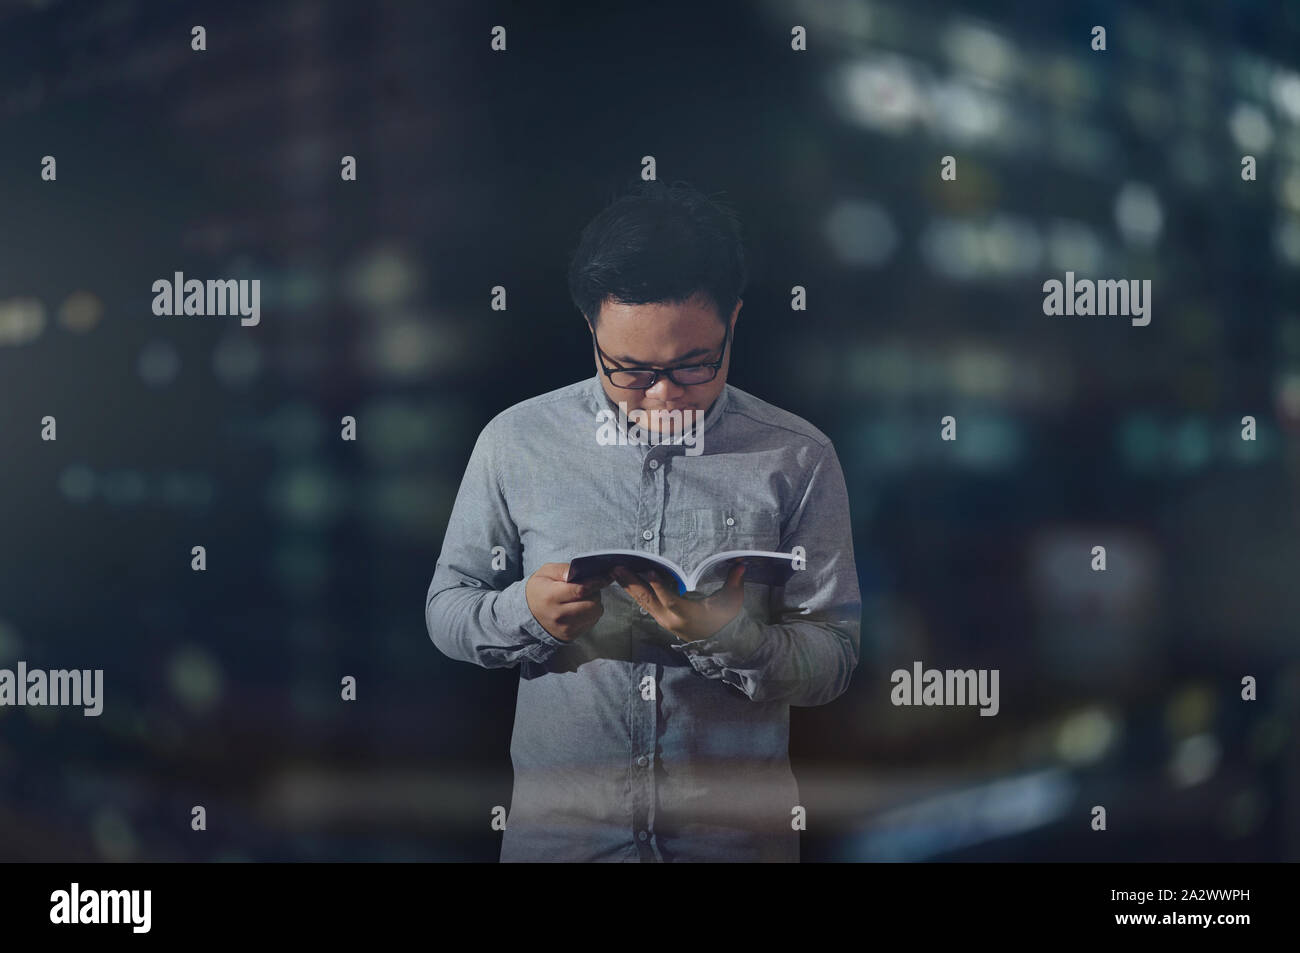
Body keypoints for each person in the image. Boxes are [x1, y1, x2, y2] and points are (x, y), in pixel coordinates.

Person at [425, 180, 861, 862]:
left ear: (734, 322)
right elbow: (445, 609)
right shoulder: (516, 441)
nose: (661, 394)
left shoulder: (797, 457)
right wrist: (526, 613)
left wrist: (734, 638)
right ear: (592, 330)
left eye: (693, 365)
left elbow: (834, 655)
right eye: (628, 369)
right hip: (561, 843)